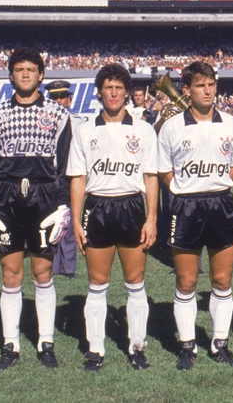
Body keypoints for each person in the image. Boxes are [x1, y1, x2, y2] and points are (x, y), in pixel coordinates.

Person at [0, 48, 73, 370]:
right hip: (6, 197)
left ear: (41, 75)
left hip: (44, 196)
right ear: (11, 75)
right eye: (19, 69)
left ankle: (46, 342)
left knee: (43, 272)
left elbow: (64, 167)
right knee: (11, 273)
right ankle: (11, 343)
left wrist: (62, 205)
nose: (25, 74)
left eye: (31, 69)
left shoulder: (59, 115)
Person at [67, 64, 158, 372]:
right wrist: (77, 220)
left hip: (132, 207)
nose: (114, 92)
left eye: (119, 87)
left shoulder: (142, 129)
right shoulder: (85, 130)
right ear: (100, 91)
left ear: (127, 91)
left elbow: (150, 177)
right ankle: (95, 348)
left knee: (135, 282)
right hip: (98, 208)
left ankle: (137, 345)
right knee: (97, 282)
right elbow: (78, 178)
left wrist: (152, 218)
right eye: (108, 87)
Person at [157, 61, 233, 369]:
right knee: (186, 280)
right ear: (187, 90)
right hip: (186, 207)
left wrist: (215, 185)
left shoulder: (232, 124)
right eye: (200, 86)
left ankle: (219, 343)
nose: (207, 91)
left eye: (211, 85)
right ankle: (187, 346)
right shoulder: (172, 126)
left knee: (222, 279)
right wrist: (184, 190)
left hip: (221, 204)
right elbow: (164, 170)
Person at [47, 80, 84, 278]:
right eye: (54, 97)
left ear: (69, 100)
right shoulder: (42, 122)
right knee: (49, 219)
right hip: (48, 173)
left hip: (70, 175)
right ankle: (52, 264)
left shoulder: (78, 122)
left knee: (68, 221)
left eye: (62, 97)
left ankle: (68, 266)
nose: (59, 101)